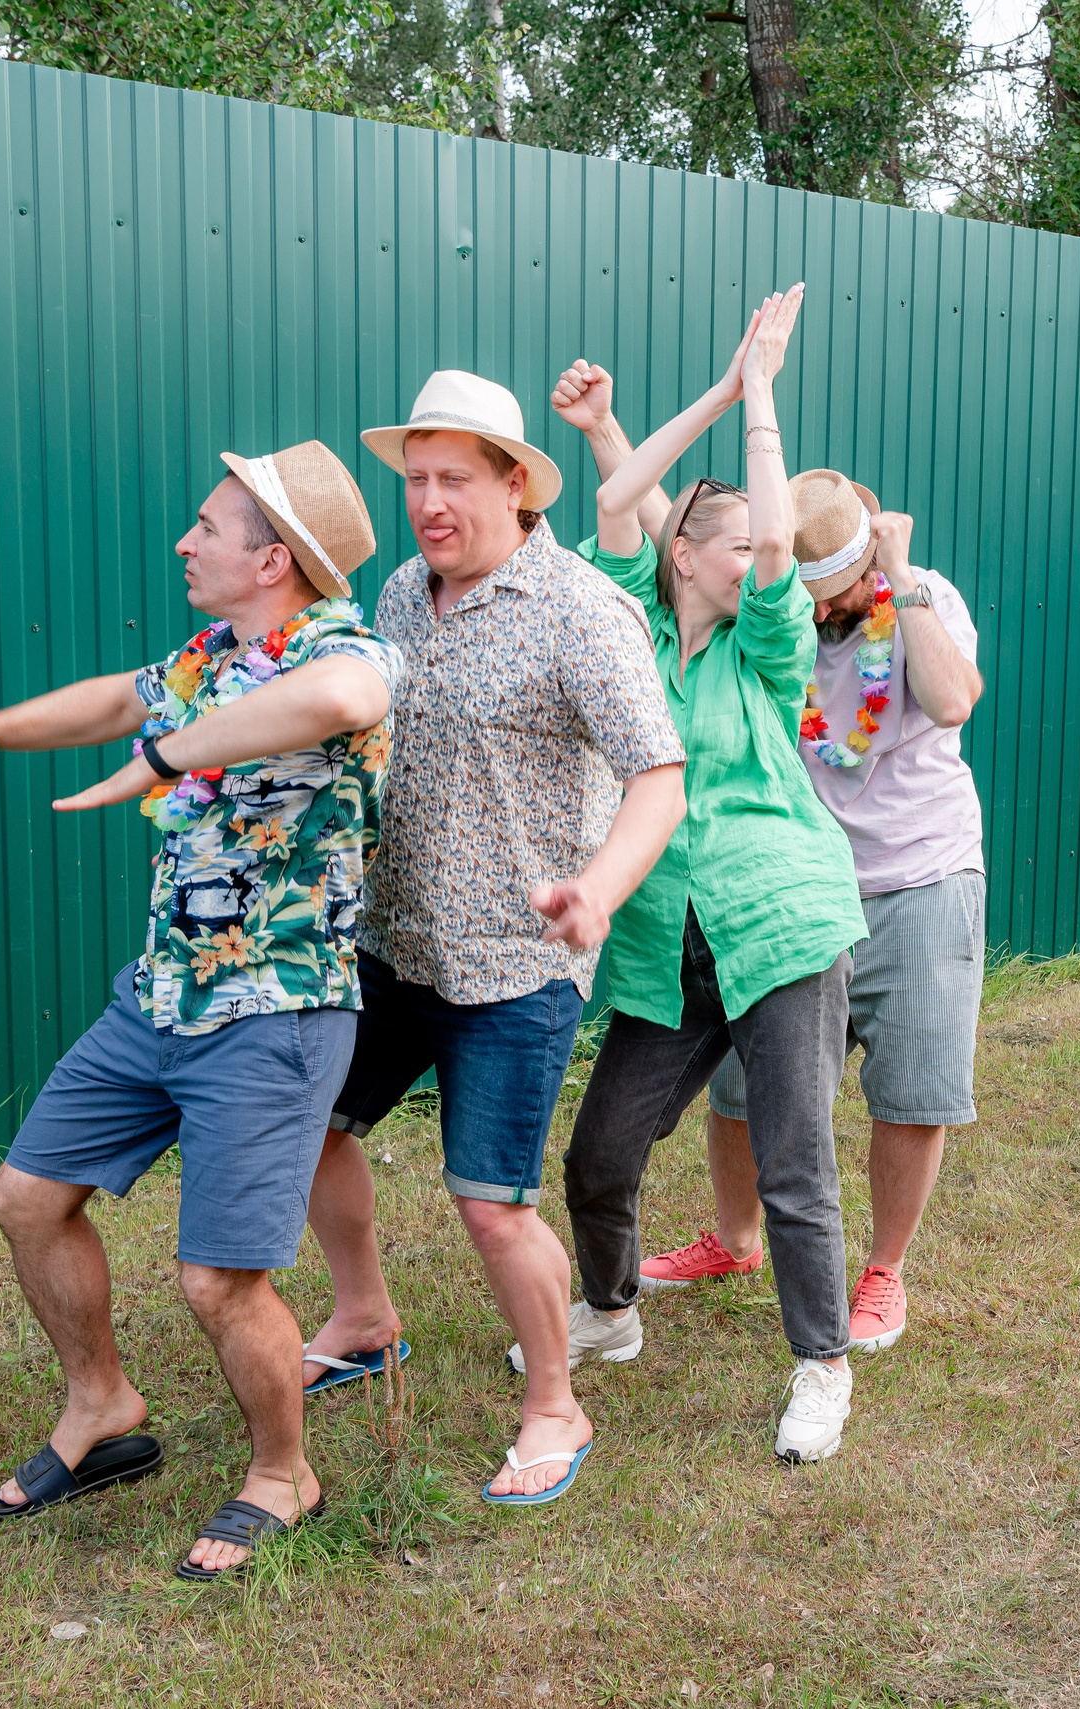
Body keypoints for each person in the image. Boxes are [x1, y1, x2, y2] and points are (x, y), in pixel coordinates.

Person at [0, 442, 402, 1579]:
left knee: (218, 1279)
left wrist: (163, 754)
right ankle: (102, 1402)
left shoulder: (346, 652)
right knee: (25, 1196)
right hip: (161, 994)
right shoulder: (212, 654)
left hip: (277, 1011)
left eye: (207, 525)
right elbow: (120, 695)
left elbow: (340, 700)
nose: (185, 542)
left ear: (273, 557)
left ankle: (280, 1470)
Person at [295, 370, 689, 1507]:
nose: (428, 501)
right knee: (317, 1124)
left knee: (489, 1201)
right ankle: (365, 1316)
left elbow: (657, 779)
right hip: (391, 938)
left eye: (453, 478)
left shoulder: (577, 608)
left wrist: (599, 889)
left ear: (516, 485)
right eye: (414, 478)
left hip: (517, 961)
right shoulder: (401, 596)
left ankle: (556, 1402)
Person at [550, 442, 988, 1357]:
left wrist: (901, 581)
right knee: (743, 1095)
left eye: (834, 586)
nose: (818, 605)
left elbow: (951, 702)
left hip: (915, 873)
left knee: (907, 1091)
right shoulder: (748, 618)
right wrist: (603, 427)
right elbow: (680, 531)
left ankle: (883, 1270)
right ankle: (734, 1239)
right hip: (764, 891)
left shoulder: (914, 599)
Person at [547, 285, 874, 1465]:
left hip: (779, 923)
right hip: (660, 945)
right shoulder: (628, 621)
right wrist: (616, 424)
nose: (764, 558)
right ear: (687, 556)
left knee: (793, 1161)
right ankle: (612, 1310)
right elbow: (619, 501)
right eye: (732, 541)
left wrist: (763, 394)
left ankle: (821, 1365)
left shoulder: (768, 637)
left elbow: (782, 540)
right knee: (599, 1156)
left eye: (760, 546)